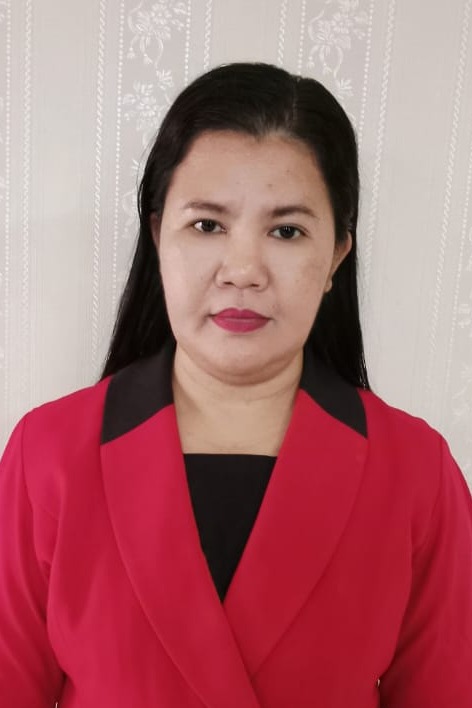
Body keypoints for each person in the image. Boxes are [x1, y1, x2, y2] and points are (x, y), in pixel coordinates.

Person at [0, 62, 471, 708]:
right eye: (207, 225)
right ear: (157, 235)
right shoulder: (47, 455)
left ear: (336, 254)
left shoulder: (417, 473)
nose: (243, 270)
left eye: (286, 230)